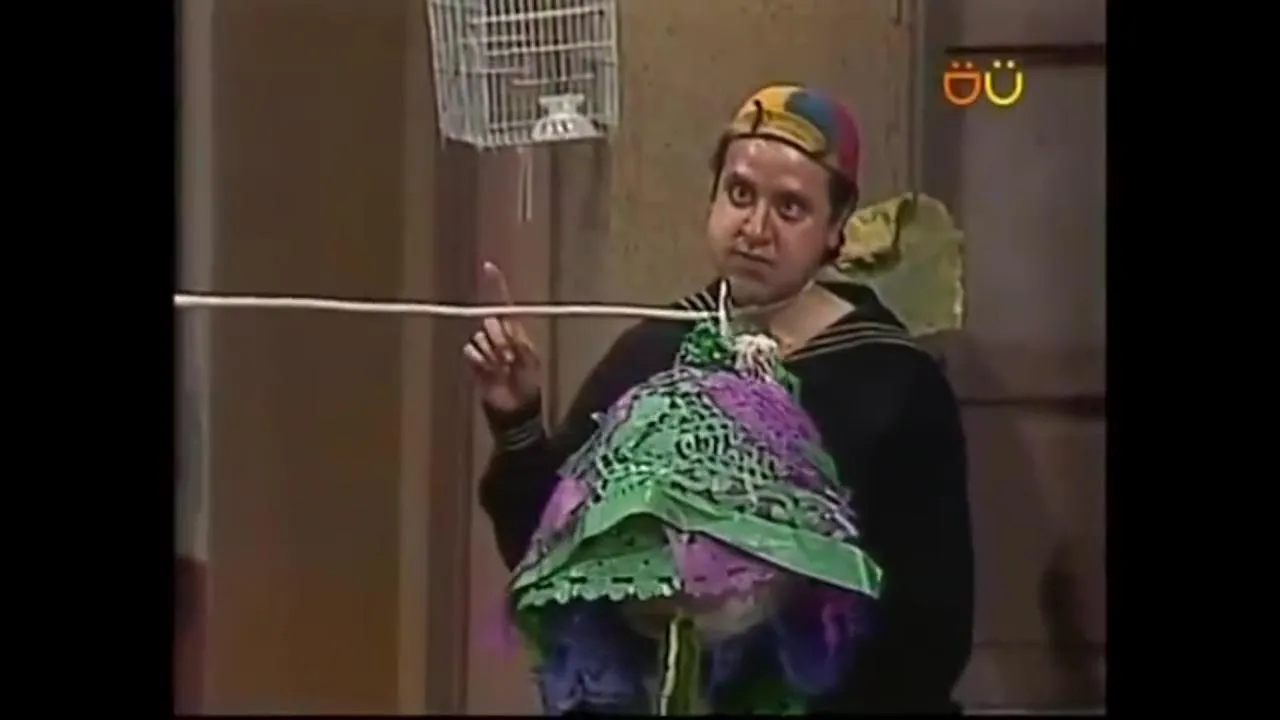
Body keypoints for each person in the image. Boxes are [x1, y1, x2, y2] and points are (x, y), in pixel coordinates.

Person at [464, 84, 974, 714]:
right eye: (740, 194)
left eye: (790, 208)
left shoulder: (894, 380)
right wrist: (517, 418)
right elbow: (553, 554)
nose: (755, 229)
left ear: (835, 229)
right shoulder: (653, 353)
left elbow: (934, 629)